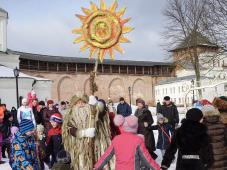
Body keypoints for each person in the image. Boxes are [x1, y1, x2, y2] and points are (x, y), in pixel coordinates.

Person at [62, 93, 112, 170]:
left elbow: (102, 114)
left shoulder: (92, 111)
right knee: (83, 165)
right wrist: (83, 133)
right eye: (78, 103)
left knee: (97, 163)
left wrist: (98, 105)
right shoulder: (70, 114)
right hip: (80, 146)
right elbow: (69, 128)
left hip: (95, 144)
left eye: (83, 102)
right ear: (74, 104)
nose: (81, 104)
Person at [94, 115, 160, 170]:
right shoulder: (138, 140)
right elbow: (146, 158)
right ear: (135, 127)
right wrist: (157, 168)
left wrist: (97, 167)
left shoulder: (117, 139)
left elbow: (107, 155)